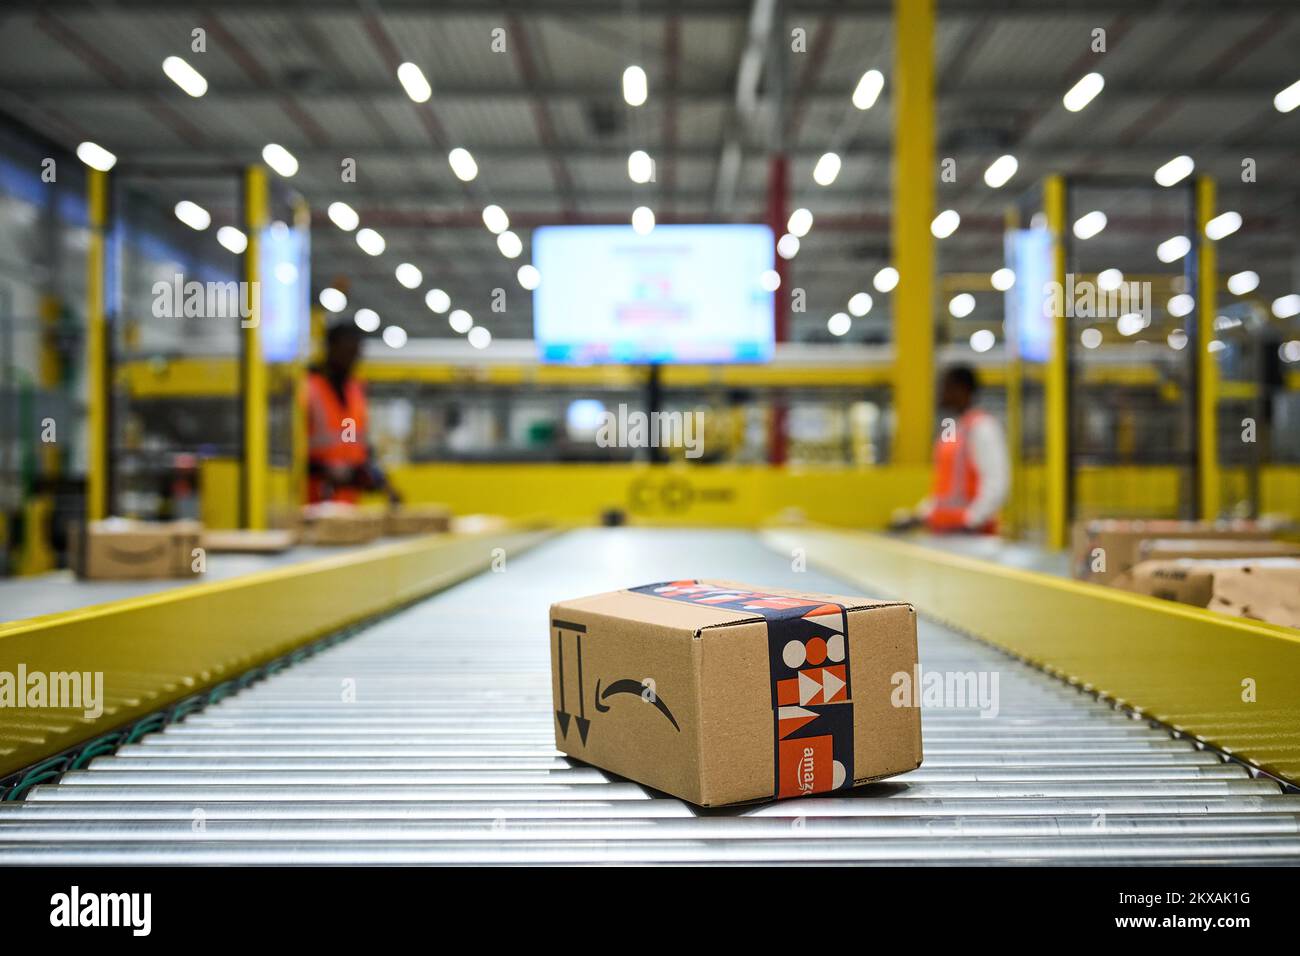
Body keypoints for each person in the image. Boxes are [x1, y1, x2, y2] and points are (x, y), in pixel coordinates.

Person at [894, 364, 1008, 534]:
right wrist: (920, 514)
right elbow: (945, 485)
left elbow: (996, 481)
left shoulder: (983, 427)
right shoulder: (952, 428)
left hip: (973, 535)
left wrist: (972, 519)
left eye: (946, 387)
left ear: (962, 389)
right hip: (945, 531)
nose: (941, 393)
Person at [305, 323, 400, 504]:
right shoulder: (309, 387)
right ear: (330, 348)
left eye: (356, 353)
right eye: (347, 351)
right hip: (312, 498)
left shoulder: (355, 390)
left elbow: (352, 441)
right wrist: (323, 469)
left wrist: (379, 480)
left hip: (346, 501)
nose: (353, 358)